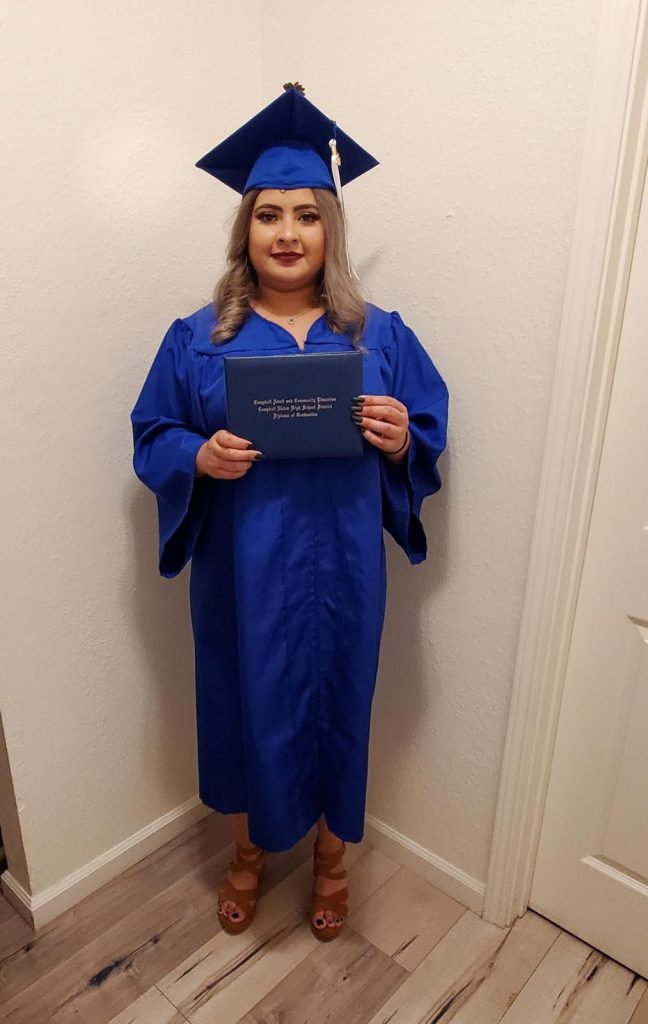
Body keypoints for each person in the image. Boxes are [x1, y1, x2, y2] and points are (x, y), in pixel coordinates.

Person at [131, 84, 449, 942]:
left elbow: (428, 425)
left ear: (328, 231)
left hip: (345, 567)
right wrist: (196, 455)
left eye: (306, 216)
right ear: (245, 231)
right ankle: (249, 854)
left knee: (340, 701)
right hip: (244, 568)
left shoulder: (377, 335)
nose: (286, 233)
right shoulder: (198, 338)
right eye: (267, 215)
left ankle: (333, 863)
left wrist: (398, 437)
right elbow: (152, 431)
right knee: (246, 702)